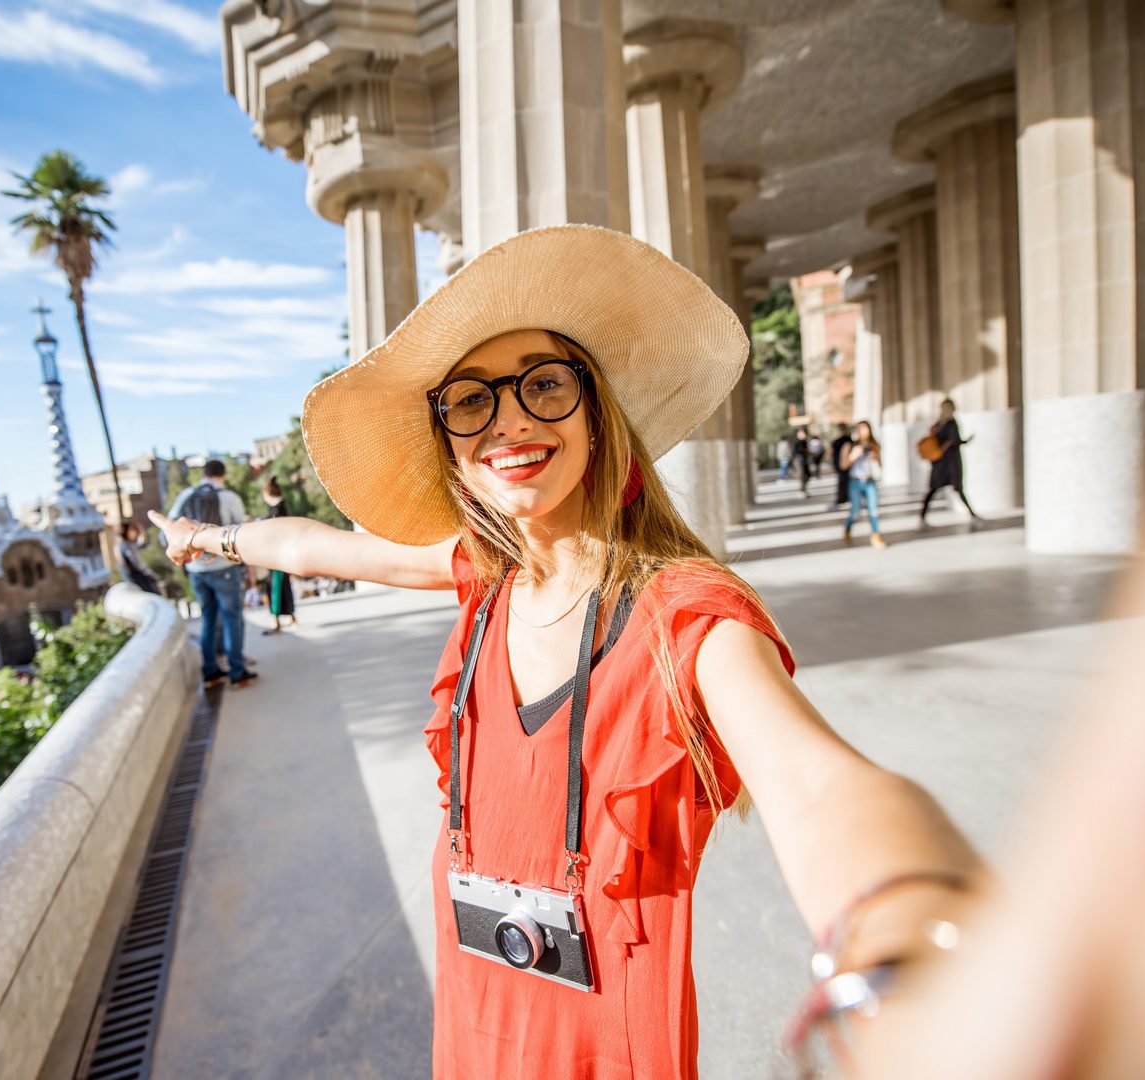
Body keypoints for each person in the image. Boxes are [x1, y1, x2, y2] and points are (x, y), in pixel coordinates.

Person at [150, 225, 976, 1080]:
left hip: (603, 1045)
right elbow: (323, 548)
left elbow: (817, 784)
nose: (508, 419)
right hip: (475, 1009)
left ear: (595, 413)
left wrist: (915, 937)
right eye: (471, 400)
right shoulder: (484, 576)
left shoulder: (686, 616)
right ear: (451, 447)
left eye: (543, 385)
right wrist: (209, 538)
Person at [167, 459, 258, 689]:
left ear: (203, 474)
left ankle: (211, 672)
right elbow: (242, 536)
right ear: (223, 475)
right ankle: (237, 672)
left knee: (208, 617)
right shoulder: (229, 498)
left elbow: (171, 529)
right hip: (223, 567)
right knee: (232, 617)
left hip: (195, 570)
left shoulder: (186, 495)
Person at [920, 398, 982, 526]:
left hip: (939, 461)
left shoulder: (938, 424)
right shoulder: (951, 423)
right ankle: (972, 514)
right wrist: (966, 441)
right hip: (950, 461)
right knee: (957, 488)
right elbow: (954, 440)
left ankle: (922, 514)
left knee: (934, 489)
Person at [259, 476, 299, 635]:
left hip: (277, 558)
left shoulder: (277, 510)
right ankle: (289, 617)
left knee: (275, 587)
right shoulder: (279, 508)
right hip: (281, 556)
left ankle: (275, 619)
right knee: (282, 586)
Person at [841, 420, 888, 549]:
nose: (864, 432)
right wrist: (853, 456)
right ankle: (847, 528)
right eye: (861, 429)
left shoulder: (874, 445)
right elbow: (843, 465)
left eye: (866, 429)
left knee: (873, 510)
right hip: (855, 482)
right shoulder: (850, 445)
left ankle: (876, 536)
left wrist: (875, 458)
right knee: (855, 511)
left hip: (870, 481)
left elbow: (881, 464)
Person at [116, 521, 162, 595]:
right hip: (138, 580)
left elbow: (140, 542)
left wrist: (141, 531)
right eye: (132, 530)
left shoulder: (126, 545)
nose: (134, 532)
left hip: (136, 582)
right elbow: (138, 564)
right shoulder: (126, 546)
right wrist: (151, 574)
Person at [829, 422, 854, 508]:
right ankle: (844, 498)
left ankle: (843, 498)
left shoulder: (840, 441)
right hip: (842, 465)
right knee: (845, 481)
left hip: (844, 464)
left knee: (843, 481)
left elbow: (830, 453)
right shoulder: (847, 440)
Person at [794, 425, 813, 495]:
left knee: (807, 474)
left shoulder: (804, 441)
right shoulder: (798, 442)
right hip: (800, 460)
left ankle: (804, 489)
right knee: (802, 475)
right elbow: (798, 451)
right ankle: (802, 490)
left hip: (804, 460)